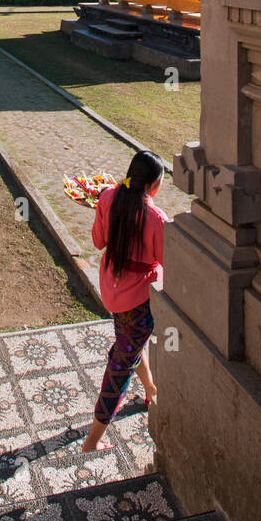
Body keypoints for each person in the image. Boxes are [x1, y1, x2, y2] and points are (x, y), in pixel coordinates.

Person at [82, 149, 166, 452]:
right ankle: (92, 441)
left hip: (112, 288)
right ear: (153, 186)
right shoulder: (156, 219)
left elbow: (98, 241)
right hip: (139, 298)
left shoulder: (108, 197)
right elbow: (165, 260)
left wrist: (101, 208)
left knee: (129, 343)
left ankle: (151, 389)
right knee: (120, 364)